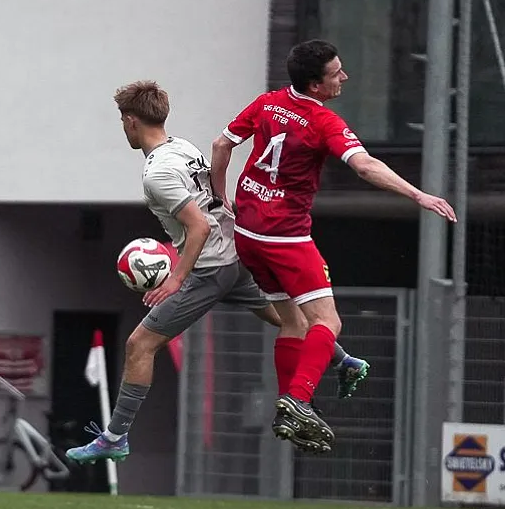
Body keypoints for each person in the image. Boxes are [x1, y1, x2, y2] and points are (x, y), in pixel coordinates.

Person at [65, 80, 371, 466]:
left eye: (121, 121)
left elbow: (198, 227)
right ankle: (344, 361)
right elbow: (211, 196)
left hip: (211, 269)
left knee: (139, 345)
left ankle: (114, 438)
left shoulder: (157, 173)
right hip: (237, 253)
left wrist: (177, 278)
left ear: (131, 121)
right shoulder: (183, 147)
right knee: (287, 317)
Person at [209, 40, 456, 450]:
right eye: (336, 73)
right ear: (315, 85)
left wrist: (221, 197)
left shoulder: (268, 102)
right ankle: (299, 399)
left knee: (292, 322)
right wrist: (418, 195)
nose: (344, 76)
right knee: (328, 322)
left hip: (248, 233)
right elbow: (365, 166)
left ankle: (289, 408)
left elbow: (221, 145)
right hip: (285, 237)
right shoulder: (324, 122)